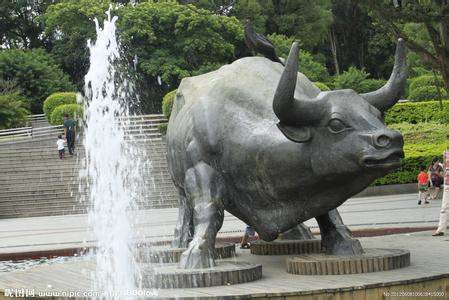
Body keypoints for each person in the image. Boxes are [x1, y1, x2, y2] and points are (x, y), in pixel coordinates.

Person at [433, 150, 449, 236]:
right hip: (447, 184)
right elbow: (444, 168)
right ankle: (441, 229)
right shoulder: (446, 153)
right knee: (444, 207)